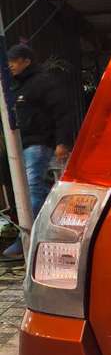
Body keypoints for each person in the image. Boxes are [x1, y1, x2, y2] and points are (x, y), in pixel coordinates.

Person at [1, 44, 73, 260]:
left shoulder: (43, 83)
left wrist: (62, 142)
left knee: (33, 189)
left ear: (26, 61)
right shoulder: (15, 86)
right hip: (20, 146)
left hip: (39, 144)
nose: (9, 66)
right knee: (24, 191)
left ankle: (28, 239)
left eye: (13, 61)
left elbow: (62, 113)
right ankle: (36, 233)